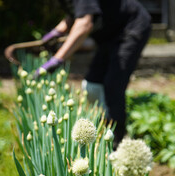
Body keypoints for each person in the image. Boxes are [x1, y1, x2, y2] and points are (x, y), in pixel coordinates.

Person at [37, 0, 152, 145]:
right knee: (92, 84)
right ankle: (100, 128)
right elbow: (76, 15)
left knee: (113, 86)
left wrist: (58, 59)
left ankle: (115, 142)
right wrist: (57, 32)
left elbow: (84, 24)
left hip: (131, 26)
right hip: (110, 34)